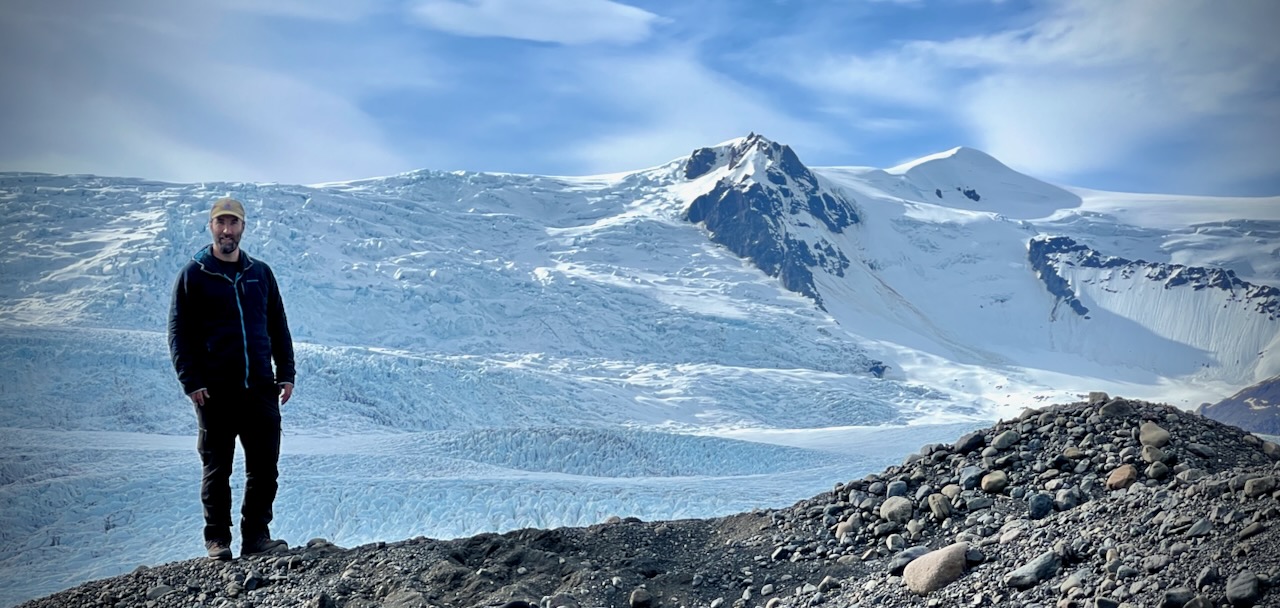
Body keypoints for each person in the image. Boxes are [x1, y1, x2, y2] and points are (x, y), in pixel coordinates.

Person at [168, 197, 296, 560]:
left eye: (234, 223)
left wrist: (285, 372)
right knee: (217, 468)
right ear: (211, 226)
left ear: (243, 227)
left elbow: (278, 327)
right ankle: (218, 541)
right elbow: (179, 333)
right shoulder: (194, 275)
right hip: (215, 392)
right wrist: (191, 380)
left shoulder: (260, 273)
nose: (227, 230)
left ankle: (256, 537)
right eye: (221, 223)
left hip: (259, 387)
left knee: (264, 468)